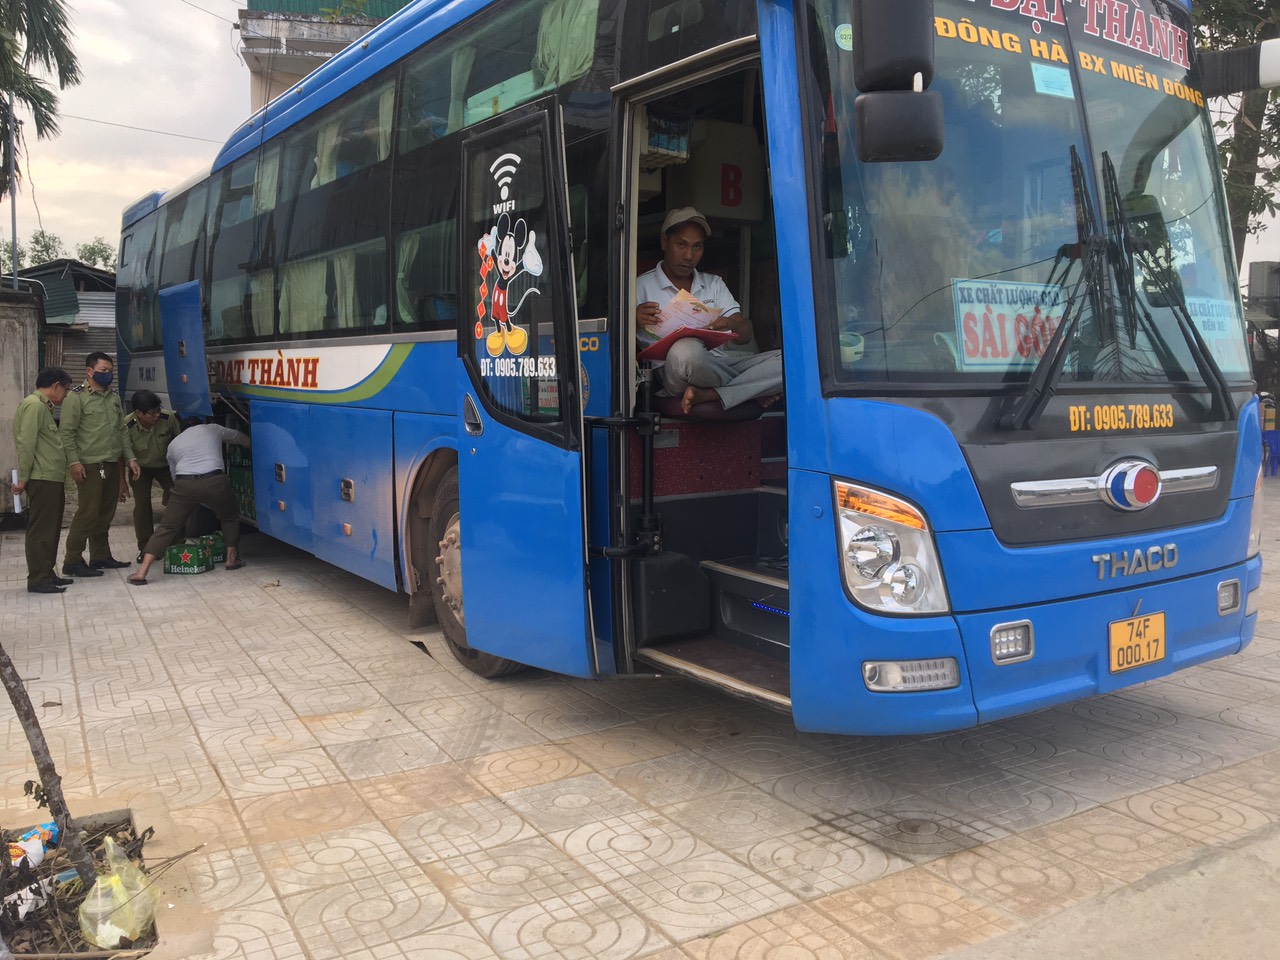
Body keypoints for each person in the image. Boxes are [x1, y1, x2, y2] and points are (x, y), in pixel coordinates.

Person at [636, 207, 783, 414]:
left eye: (697, 246)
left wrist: (730, 324)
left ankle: (712, 393)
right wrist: (633, 319)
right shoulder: (639, 286)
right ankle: (751, 388)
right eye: (681, 245)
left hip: (718, 365)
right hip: (673, 371)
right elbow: (612, 339)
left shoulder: (714, 284)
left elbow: (746, 335)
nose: (689, 255)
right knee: (686, 350)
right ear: (664, 242)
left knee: (788, 361)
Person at [128, 418, 251, 585]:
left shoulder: (173, 444)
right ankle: (231, 559)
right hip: (214, 480)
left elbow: (174, 476)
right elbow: (242, 439)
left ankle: (142, 572)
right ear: (200, 424)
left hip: (184, 484)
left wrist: (185, 493)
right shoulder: (213, 428)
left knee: (167, 527)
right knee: (229, 517)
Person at [60, 352, 140, 577]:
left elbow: (122, 430)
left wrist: (131, 458)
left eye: (110, 371)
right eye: (103, 370)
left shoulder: (113, 397)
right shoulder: (76, 398)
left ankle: (100, 556)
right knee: (88, 513)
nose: (108, 374)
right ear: (89, 371)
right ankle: (72, 560)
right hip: (90, 464)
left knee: (105, 513)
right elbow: (67, 433)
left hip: (111, 461)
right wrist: (74, 462)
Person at [10, 368, 74, 593]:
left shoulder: (42, 407)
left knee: (52, 528)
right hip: (42, 477)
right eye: (65, 389)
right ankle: (38, 579)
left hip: (51, 477)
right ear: (56, 386)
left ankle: (47, 572)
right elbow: (26, 444)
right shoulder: (34, 406)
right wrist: (24, 478)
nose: (65, 395)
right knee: (41, 530)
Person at [123, 390, 181, 562]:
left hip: (166, 466)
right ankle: (146, 548)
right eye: (152, 413)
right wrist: (121, 482)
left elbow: (180, 442)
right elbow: (121, 454)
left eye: (158, 410)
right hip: (140, 468)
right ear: (138, 413)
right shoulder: (127, 425)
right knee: (142, 505)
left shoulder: (168, 418)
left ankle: (177, 545)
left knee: (178, 500)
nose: (157, 415)